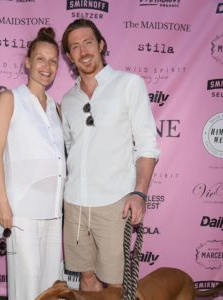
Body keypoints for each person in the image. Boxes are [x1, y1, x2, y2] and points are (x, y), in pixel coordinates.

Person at [60, 19, 160, 292]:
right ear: (69, 56)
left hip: (115, 202)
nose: (83, 51)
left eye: (88, 42)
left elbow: (147, 143)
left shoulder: (129, 84)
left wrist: (139, 193)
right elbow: (71, 150)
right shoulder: (68, 100)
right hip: (75, 204)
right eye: (75, 47)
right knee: (86, 279)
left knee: (116, 285)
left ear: (101, 44)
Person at [0, 27, 66, 300]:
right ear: (28, 61)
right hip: (21, 212)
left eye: (53, 61)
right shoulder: (10, 98)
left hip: (53, 213)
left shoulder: (56, 107)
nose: (47, 66)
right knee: (26, 287)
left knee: (49, 288)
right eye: (41, 59)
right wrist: (3, 202)